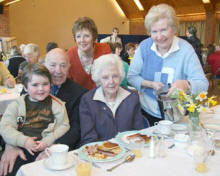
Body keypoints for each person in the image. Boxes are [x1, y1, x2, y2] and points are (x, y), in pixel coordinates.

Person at [0, 48, 87, 176]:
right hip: (24, 144)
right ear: (44, 66)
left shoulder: (78, 93)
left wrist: (52, 148)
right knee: (8, 168)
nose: (58, 70)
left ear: (69, 67)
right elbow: (15, 120)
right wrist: (11, 144)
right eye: (52, 65)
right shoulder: (31, 84)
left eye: (63, 65)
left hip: (56, 147)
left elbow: (75, 130)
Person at [127, 4, 208, 126]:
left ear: (174, 29)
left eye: (164, 30)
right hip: (147, 114)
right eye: (154, 31)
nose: (159, 36)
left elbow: (203, 84)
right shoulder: (144, 47)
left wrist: (186, 84)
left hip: (178, 117)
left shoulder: (186, 49)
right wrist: (150, 84)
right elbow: (132, 77)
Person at [79, 54, 145, 145]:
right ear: (98, 79)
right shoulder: (88, 100)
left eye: (115, 76)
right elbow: (89, 139)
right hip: (100, 154)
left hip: (129, 150)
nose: (111, 82)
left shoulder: (132, 97)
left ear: (121, 76)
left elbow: (139, 132)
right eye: (105, 77)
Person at [67, 16, 111, 90]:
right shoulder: (69, 56)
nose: (82, 40)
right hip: (78, 99)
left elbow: (110, 77)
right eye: (78, 36)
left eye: (86, 36)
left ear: (93, 37)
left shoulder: (104, 50)